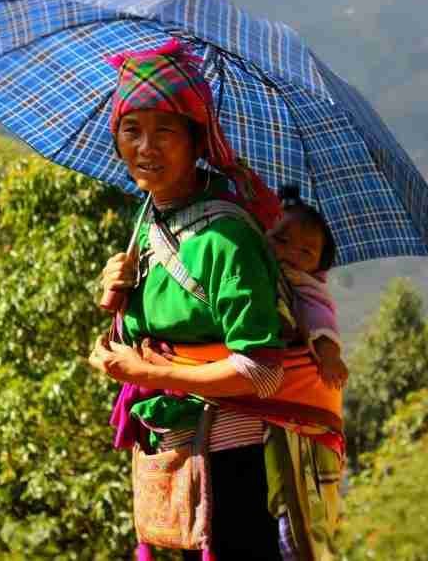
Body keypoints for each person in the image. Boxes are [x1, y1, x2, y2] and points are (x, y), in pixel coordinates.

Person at [87, 38, 290, 560]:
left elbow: (262, 373)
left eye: (165, 131)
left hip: (228, 463)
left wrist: (150, 374)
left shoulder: (226, 238)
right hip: (168, 462)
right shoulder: (152, 221)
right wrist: (113, 304)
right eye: (131, 130)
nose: (145, 147)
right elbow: (142, 344)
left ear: (198, 141)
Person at [267, 185, 348, 389]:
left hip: (282, 376)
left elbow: (319, 317)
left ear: (319, 265)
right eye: (281, 239)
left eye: (306, 252)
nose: (291, 252)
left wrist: (329, 356)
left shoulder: (305, 285)